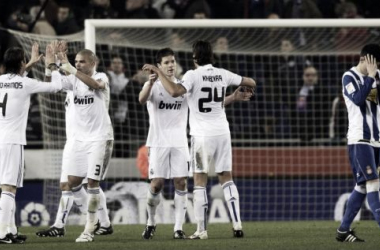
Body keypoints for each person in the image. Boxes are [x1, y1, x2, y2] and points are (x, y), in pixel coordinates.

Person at [142, 40, 256, 240]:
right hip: (222, 133)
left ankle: (200, 230)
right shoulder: (222, 73)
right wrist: (235, 96)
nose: (171, 65)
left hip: (200, 136)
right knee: (226, 178)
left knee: (197, 181)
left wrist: (157, 72)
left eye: (172, 61)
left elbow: (177, 92)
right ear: (212, 56)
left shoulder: (191, 76)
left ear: (194, 58)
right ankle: (237, 225)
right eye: (166, 62)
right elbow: (249, 84)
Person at [35, 42, 113, 238]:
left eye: (82, 62)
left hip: (98, 138)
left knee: (92, 183)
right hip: (76, 141)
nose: (78, 65)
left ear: (93, 62)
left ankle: (89, 229)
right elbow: (51, 85)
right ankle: (102, 222)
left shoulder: (100, 76)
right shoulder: (73, 80)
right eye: (76, 62)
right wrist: (51, 64)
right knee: (72, 182)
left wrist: (68, 67)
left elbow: (96, 85)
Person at [0, 43, 63, 244]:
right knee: (8, 188)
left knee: (7, 188)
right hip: (12, 141)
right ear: (21, 63)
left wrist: (30, 64)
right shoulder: (25, 84)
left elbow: (15, 80)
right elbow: (56, 87)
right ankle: (2, 234)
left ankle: (10, 230)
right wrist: (52, 65)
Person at [336, 44, 380, 242]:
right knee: (373, 181)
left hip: (376, 140)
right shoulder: (349, 77)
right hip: (359, 139)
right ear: (365, 59)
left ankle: (343, 231)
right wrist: (370, 77)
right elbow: (358, 99)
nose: (377, 67)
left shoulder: (378, 76)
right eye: (375, 63)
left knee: (361, 186)